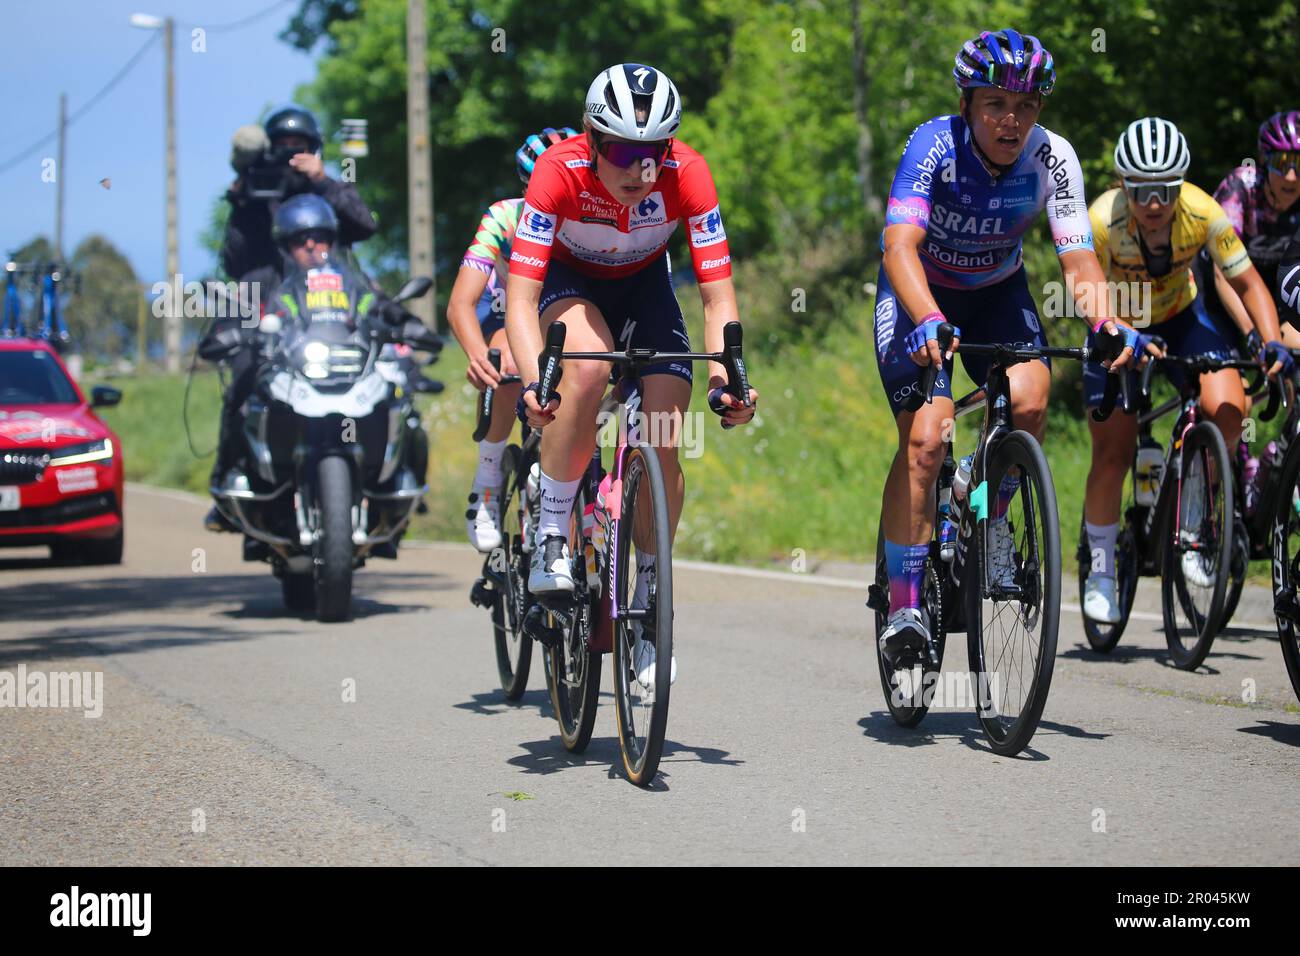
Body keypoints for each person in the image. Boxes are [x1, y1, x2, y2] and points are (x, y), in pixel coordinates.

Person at [874, 28, 1131, 662]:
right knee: (926, 440)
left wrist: (1105, 323)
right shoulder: (932, 145)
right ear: (967, 103)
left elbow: (1078, 261)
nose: (1012, 120)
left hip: (997, 290)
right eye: (996, 104)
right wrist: (929, 317)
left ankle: (989, 519)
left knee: (1032, 400)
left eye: (1026, 106)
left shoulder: (1053, 158)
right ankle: (906, 601)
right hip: (921, 293)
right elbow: (899, 245)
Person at [505, 64, 758, 690]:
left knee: (668, 420)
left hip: (646, 285)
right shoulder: (555, 171)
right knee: (584, 370)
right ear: (591, 138)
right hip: (572, 282)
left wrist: (732, 375)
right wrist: (541, 382)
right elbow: (518, 297)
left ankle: (648, 600)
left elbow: (716, 295)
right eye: (621, 150)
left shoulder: (689, 175)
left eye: (653, 152)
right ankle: (552, 536)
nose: (638, 169)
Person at [1080, 117, 1289, 622]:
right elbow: (1086, 287)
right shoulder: (1101, 220)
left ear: (1181, 187)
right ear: (1123, 185)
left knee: (1229, 408)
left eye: (1166, 190)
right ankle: (1102, 570)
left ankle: (1195, 525)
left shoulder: (1202, 211)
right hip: (1119, 322)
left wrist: (1270, 340)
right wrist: (1114, 332)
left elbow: (1248, 285)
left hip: (1180, 317)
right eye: (1142, 190)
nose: (1155, 203)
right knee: (1114, 451)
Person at [201, 195, 420, 530]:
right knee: (239, 393)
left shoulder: (353, 282)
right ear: (285, 245)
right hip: (285, 375)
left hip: (347, 371)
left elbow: (380, 307)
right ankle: (227, 487)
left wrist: (407, 325)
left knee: (405, 398)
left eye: (320, 237)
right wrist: (230, 333)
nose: (311, 245)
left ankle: (397, 484)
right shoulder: (262, 280)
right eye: (300, 240)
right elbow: (235, 314)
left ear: (332, 241)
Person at [446, 127, 579, 551]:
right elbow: (460, 303)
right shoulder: (504, 216)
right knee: (503, 360)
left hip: (559, 310)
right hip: (506, 307)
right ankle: (487, 482)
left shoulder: (592, 218)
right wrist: (476, 354)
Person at [221, 105, 377, 285]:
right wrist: (242, 205)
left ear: (314, 151)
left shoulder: (330, 189)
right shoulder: (260, 199)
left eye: (297, 147)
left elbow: (365, 227)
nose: (289, 155)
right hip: (276, 304)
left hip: (333, 298)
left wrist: (322, 183)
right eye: (282, 147)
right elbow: (234, 265)